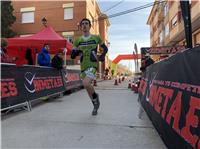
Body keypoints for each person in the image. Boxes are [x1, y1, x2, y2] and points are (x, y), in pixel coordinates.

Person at [71, 18, 108, 116]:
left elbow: (105, 48)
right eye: (82, 24)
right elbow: (72, 54)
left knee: (86, 83)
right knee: (87, 87)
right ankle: (95, 103)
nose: (84, 25)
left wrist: (102, 55)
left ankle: (96, 101)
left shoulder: (96, 38)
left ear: (90, 26)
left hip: (93, 64)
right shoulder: (77, 40)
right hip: (83, 65)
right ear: (81, 27)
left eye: (86, 23)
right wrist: (75, 52)